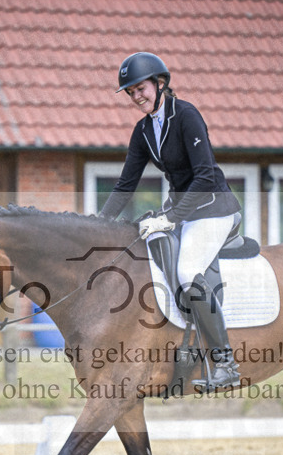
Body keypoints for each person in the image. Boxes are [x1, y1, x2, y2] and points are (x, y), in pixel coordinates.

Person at [98, 52, 242, 390]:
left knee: (186, 272)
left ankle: (225, 363)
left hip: (213, 208)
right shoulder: (144, 130)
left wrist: (169, 218)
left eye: (140, 88)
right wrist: (97, 226)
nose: (137, 97)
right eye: (131, 93)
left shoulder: (186, 115)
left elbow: (204, 177)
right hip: (181, 212)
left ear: (159, 83)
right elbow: (125, 184)